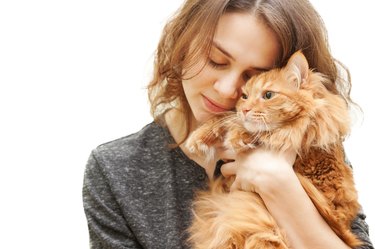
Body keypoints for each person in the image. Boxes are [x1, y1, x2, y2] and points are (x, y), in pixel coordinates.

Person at [82, 0, 373, 248]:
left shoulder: (312, 142)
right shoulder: (115, 169)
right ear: (183, 43)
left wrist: (281, 187)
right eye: (216, 60)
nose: (226, 89)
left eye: (253, 76)